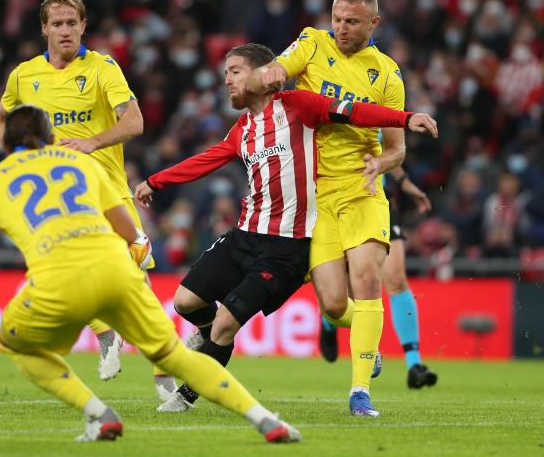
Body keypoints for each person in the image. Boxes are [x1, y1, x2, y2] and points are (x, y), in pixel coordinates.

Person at [0, 105, 302, 444]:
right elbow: (132, 233)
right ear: (50, 137)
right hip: (115, 270)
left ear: (6, 146)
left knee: (15, 343)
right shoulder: (81, 164)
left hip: (57, 279)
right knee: (176, 357)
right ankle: (266, 419)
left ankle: (98, 414)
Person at [135, 43, 437, 412]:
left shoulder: (300, 106)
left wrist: (404, 119)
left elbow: (353, 111)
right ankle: (210, 335)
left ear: (263, 73)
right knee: (184, 302)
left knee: (228, 324)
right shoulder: (242, 129)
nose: (227, 80)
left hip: (286, 248)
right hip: (246, 234)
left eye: (235, 71)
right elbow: (206, 160)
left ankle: (187, 395)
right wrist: (155, 181)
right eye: (225, 73)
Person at [0, 0, 174, 397]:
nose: (65, 31)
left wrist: (91, 142)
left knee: (138, 283)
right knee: (71, 268)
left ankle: (161, 372)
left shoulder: (102, 68)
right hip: (61, 198)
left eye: (72, 23)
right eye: (57, 24)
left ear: (84, 26)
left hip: (107, 190)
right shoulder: (25, 75)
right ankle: (107, 335)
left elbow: (135, 121)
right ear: (44, 28)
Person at [249, 0, 419, 417]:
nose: (341, 29)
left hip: (362, 192)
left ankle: (359, 392)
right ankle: (368, 342)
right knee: (334, 304)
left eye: (352, 22)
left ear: (373, 23)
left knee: (366, 279)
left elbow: (396, 147)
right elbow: (280, 67)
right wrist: (270, 74)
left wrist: (382, 165)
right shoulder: (312, 42)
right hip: (314, 197)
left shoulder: (386, 73)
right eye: (337, 19)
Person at [318, 167, 439, 389]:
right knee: (347, 286)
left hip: (376, 198)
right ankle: (329, 322)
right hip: (336, 197)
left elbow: (390, 148)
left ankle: (415, 365)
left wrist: (403, 181)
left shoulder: (382, 130)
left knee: (396, 278)